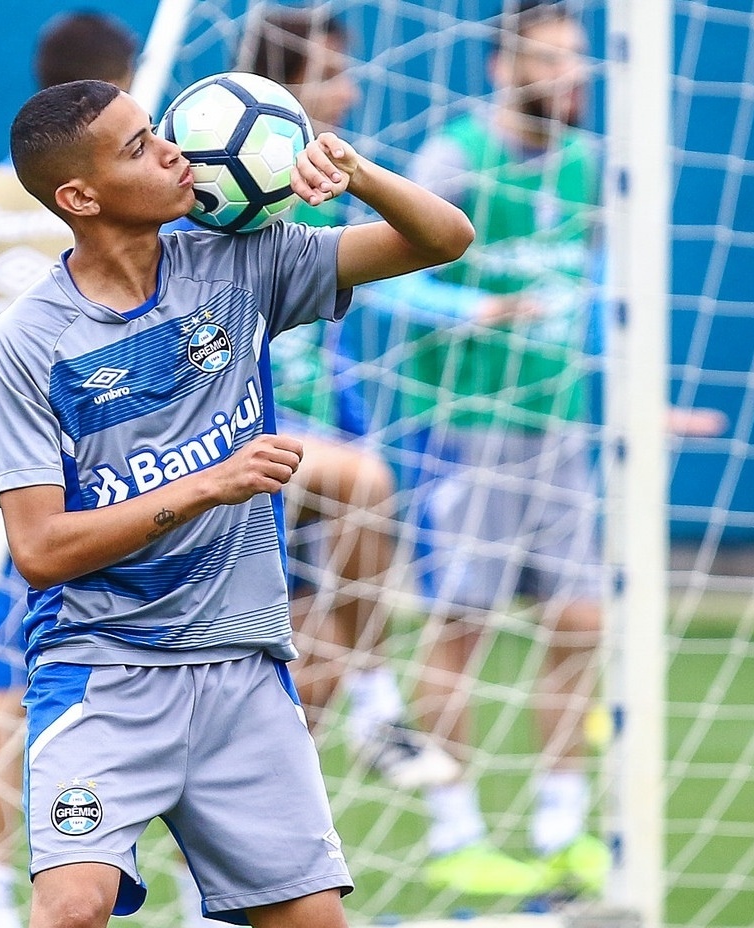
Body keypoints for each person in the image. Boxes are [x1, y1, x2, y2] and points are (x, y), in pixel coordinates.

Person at [0, 80, 473, 928]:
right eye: (143, 143)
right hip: (105, 670)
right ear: (82, 195)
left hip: (244, 666)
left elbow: (443, 239)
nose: (176, 148)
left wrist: (359, 175)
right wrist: (205, 486)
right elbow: (39, 549)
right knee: (72, 913)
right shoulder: (31, 344)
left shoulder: (235, 262)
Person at [383, 0, 607, 899]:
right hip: (464, 424)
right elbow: (389, 280)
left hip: (560, 422)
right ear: (505, 68)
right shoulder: (456, 158)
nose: (569, 78)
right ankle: (456, 827)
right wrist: (468, 310)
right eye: (551, 62)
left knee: (582, 620)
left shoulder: (590, 163)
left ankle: (563, 822)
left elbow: (592, 279)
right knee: (462, 624)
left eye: (577, 61)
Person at [0, 11, 139, 928]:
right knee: (15, 693)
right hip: (89, 484)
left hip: (1, 478)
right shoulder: (101, 198)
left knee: (12, 690)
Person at [240, 5, 460, 794]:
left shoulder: (322, 191)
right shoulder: (230, 194)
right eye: (331, 75)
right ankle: (381, 701)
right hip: (237, 446)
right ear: (276, 92)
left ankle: (224, 897)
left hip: (304, 445)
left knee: (307, 679)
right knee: (368, 482)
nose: (352, 90)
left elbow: (330, 347)